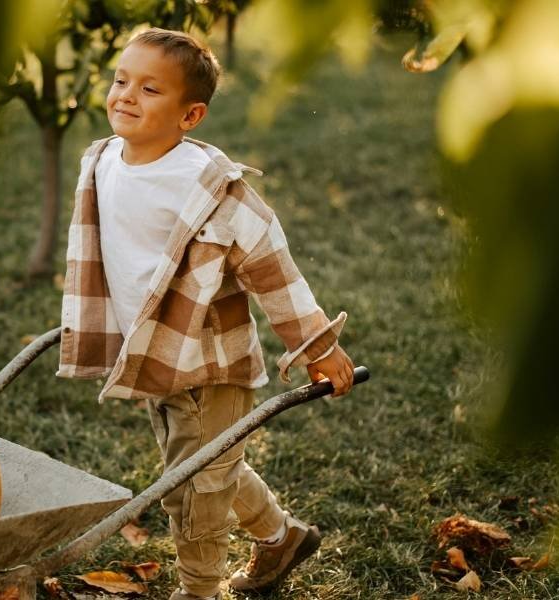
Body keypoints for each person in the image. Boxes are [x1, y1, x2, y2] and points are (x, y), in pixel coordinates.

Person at [55, 28, 355, 600]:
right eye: (121, 80)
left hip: (209, 362)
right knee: (213, 464)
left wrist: (318, 344)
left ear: (190, 115)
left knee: (193, 486)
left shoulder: (209, 186)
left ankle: (198, 590)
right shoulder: (103, 162)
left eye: (149, 89)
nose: (125, 95)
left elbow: (271, 265)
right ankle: (280, 538)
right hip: (157, 356)